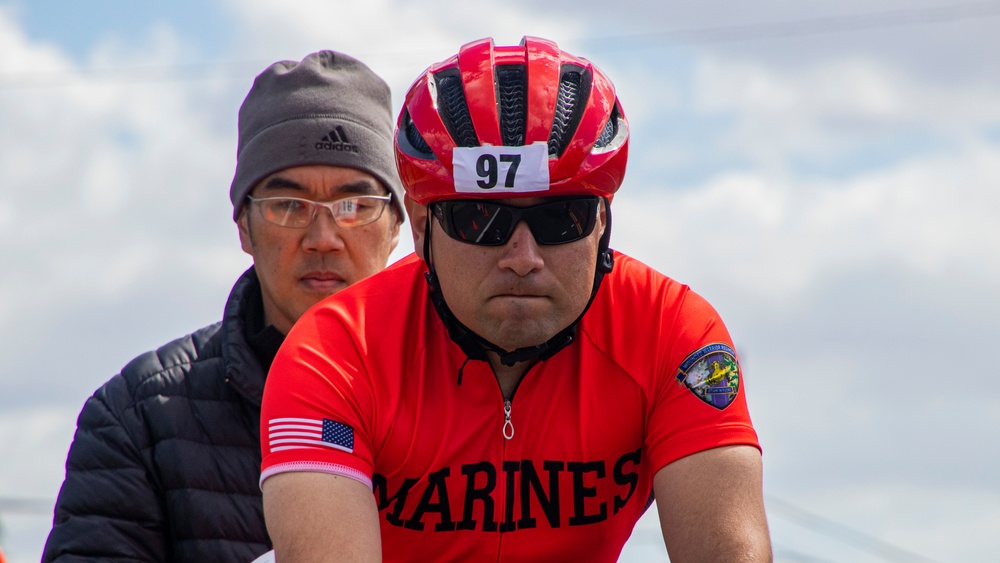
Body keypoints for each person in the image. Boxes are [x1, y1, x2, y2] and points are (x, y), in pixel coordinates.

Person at [260, 37, 771, 562]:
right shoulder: (332, 352)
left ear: (601, 223)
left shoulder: (674, 332)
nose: (523, 256)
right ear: (419, 228)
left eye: (560, 218)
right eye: (481, 221)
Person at [42, 50, 404, 562]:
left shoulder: (475, 391)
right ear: (243, 227)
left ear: (395, 227)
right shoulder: (138, 418)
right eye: (288, 205)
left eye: (354, 206)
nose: (323, 238)